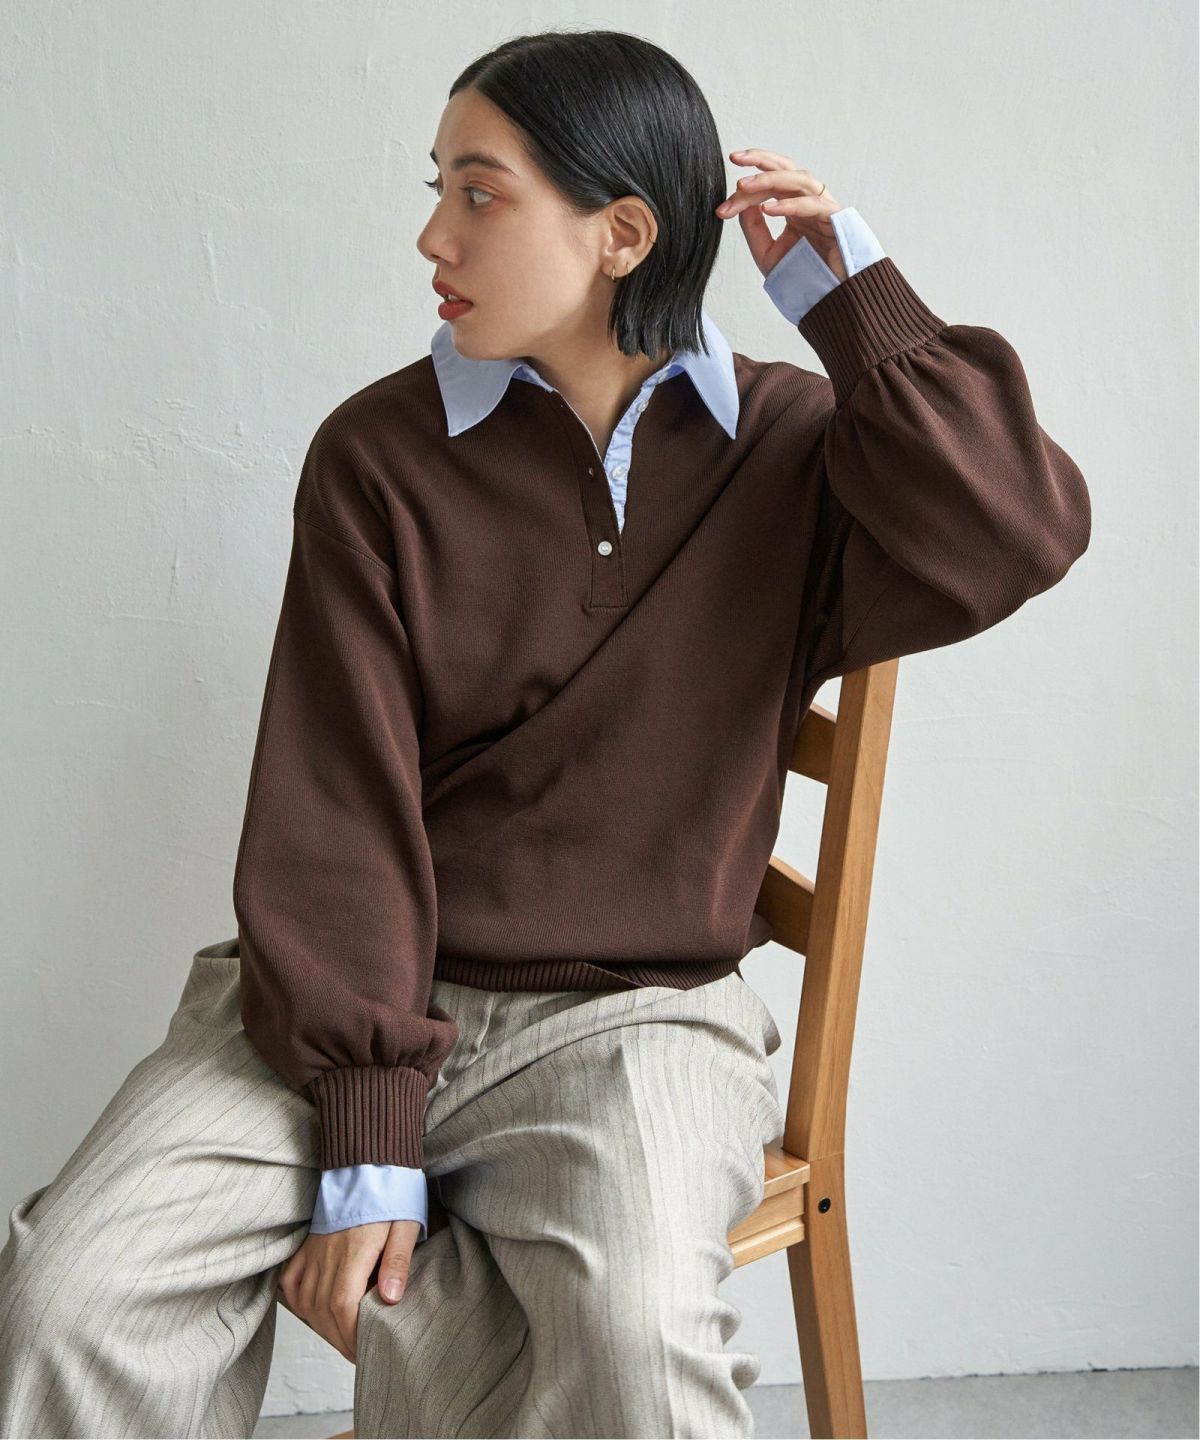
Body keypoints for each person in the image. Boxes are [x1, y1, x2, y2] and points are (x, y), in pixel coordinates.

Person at [0, 26, 1092, 1440]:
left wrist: (850, 299)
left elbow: (1017, 531)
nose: (431, 235)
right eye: (437, 188)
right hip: (336, 1004)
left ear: (621, 234)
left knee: (637, 1346)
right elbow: (334, 812)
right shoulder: (378, 456)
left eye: (479, 192)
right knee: (73, 1295)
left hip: (638, 1018)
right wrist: (371, 1136)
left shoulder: (797, 450)